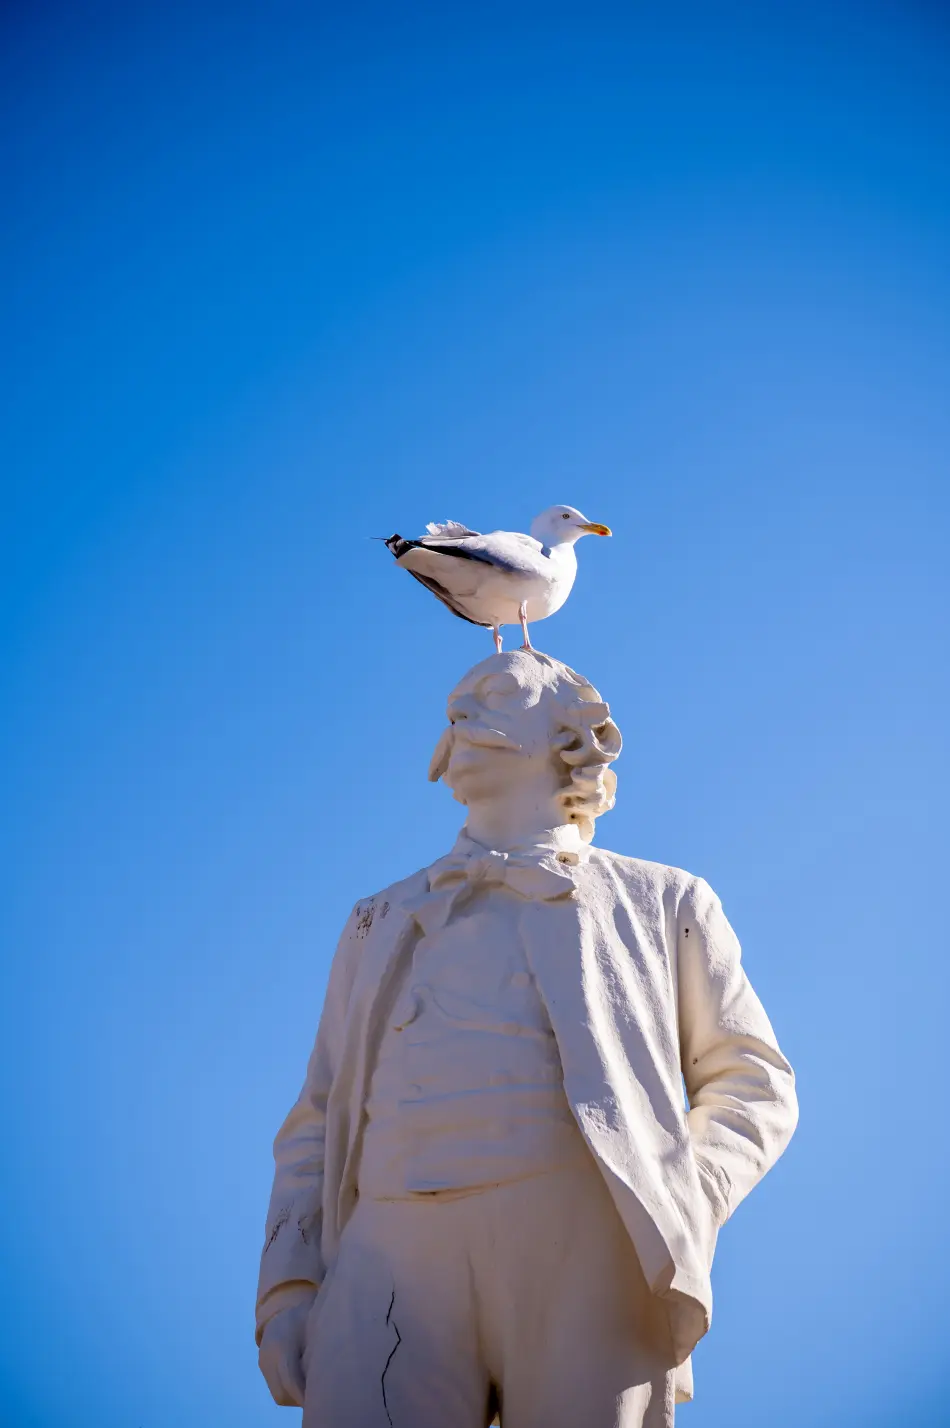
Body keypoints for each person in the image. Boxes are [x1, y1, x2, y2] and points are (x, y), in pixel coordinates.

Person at [256, 649, 798, 1427]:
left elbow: (754, 1082)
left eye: (498, 693)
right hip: (387, 1251)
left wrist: (676, 1193)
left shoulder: (665, 899)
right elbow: (314, 1121)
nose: (461, 717)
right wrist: (289, 1284)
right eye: (455, 706)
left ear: (575, 734)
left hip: (589, 1246)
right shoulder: (375, 919)